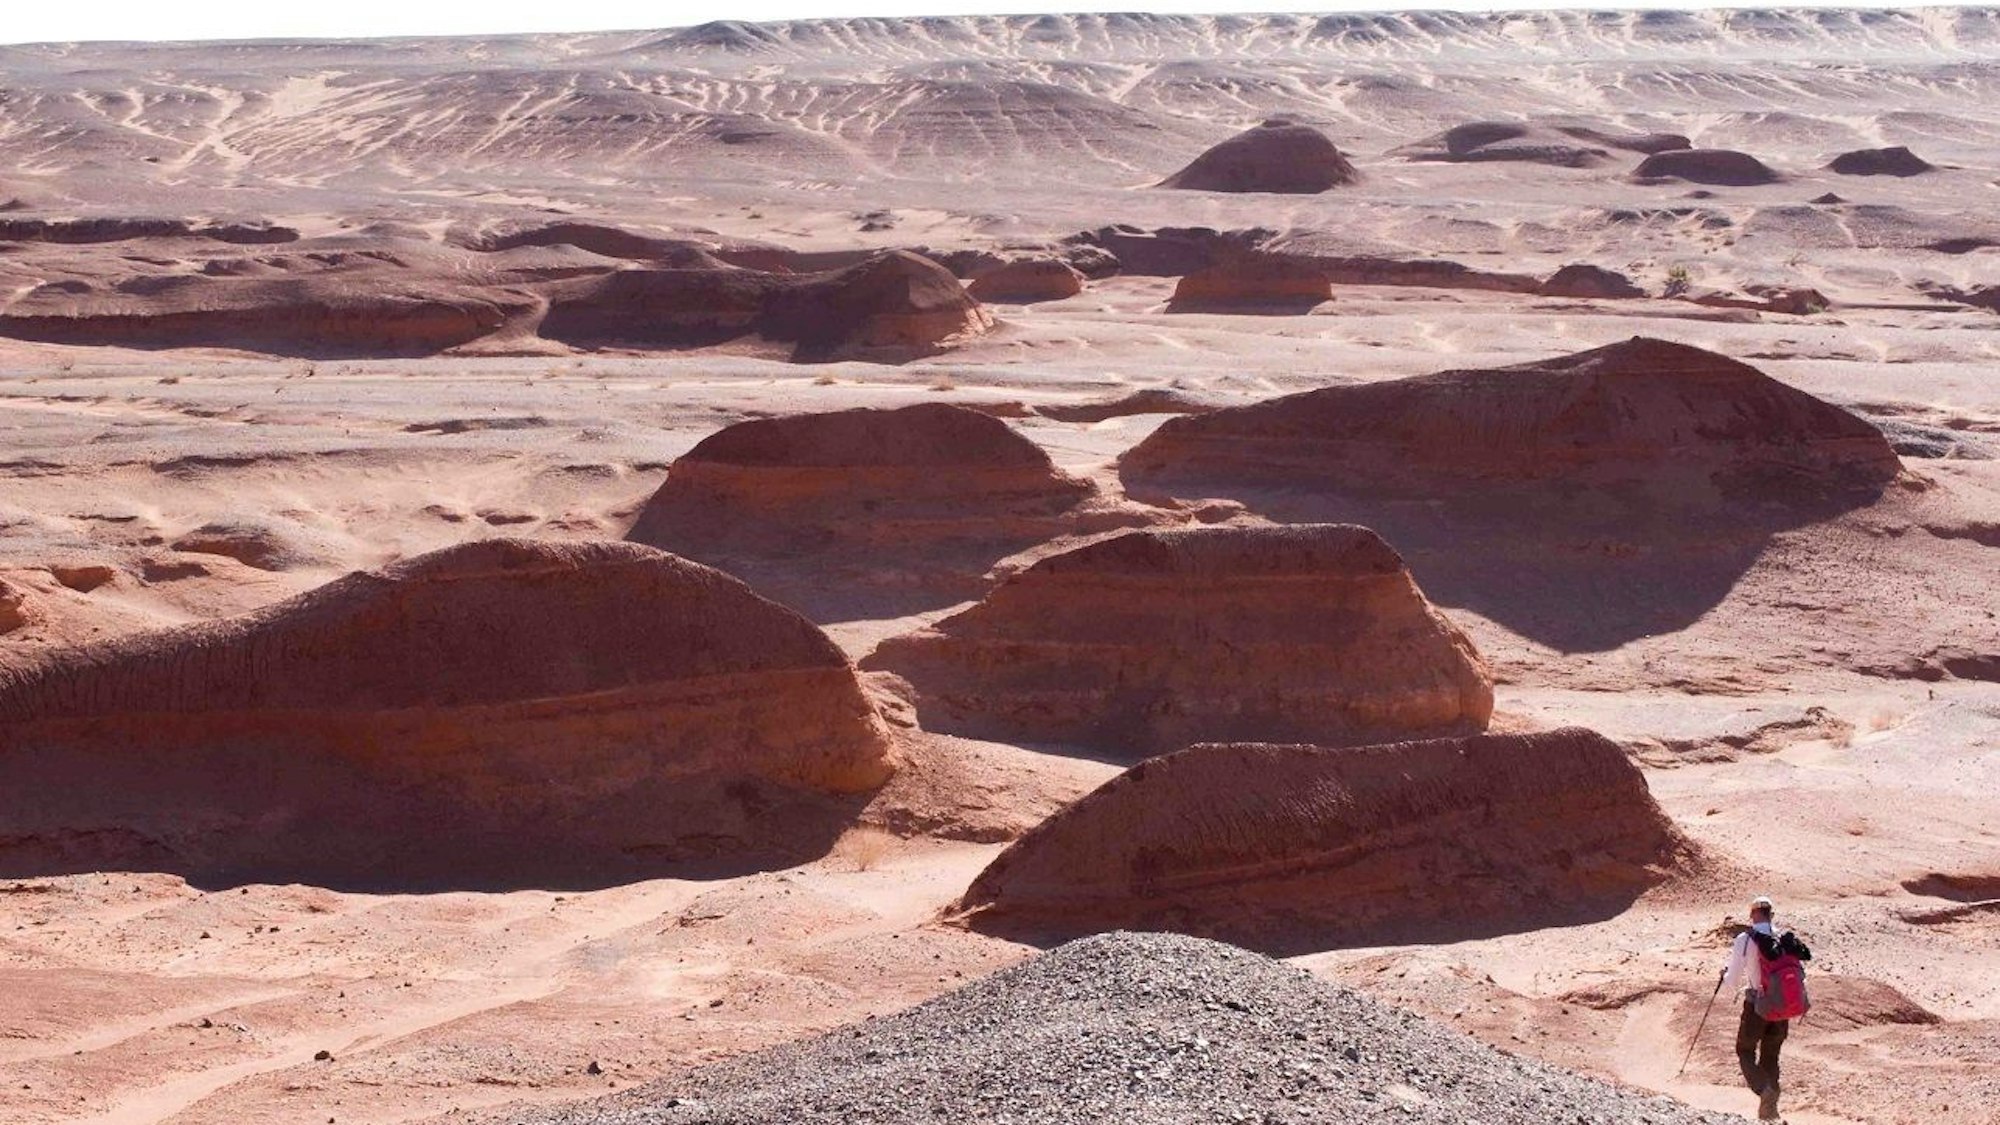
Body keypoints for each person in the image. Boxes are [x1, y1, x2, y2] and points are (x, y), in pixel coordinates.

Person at [1719, 895, 1812, 1121]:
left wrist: (1724, 977)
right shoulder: (1784, 937)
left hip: (1756, 1004)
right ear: (1771, 914)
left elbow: (1733, 979)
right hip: (1782, 1006)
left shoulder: (1745, 938)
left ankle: (1764, 1090)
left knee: (1745, 1050)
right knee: (1771, 1055)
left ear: (1752, 914)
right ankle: (1770, 1110)